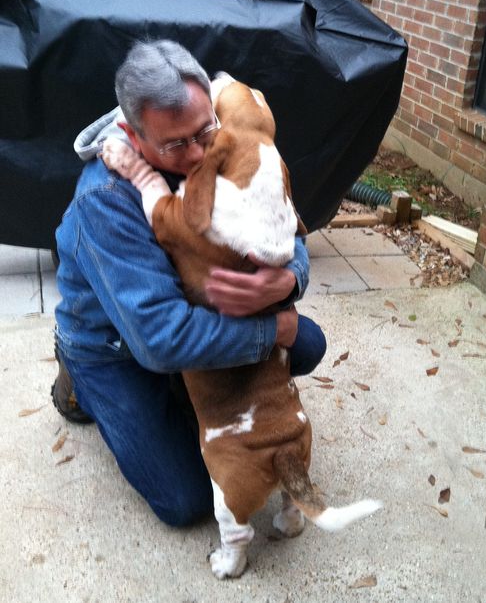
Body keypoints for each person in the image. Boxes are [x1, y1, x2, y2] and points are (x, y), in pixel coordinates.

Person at [51, 39, 326, 527]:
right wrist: (269, 332)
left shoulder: (223, 130)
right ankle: (78, 382)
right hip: (118, 342)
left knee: (308, 344)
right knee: (187, 499)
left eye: (205, 131)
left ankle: (192, 390)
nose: (200, 154)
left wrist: (287, 279)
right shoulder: (106, 197)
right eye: (177, 144)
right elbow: (160, 338)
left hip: (192, 312)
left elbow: (282, 223)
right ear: (133, 138)